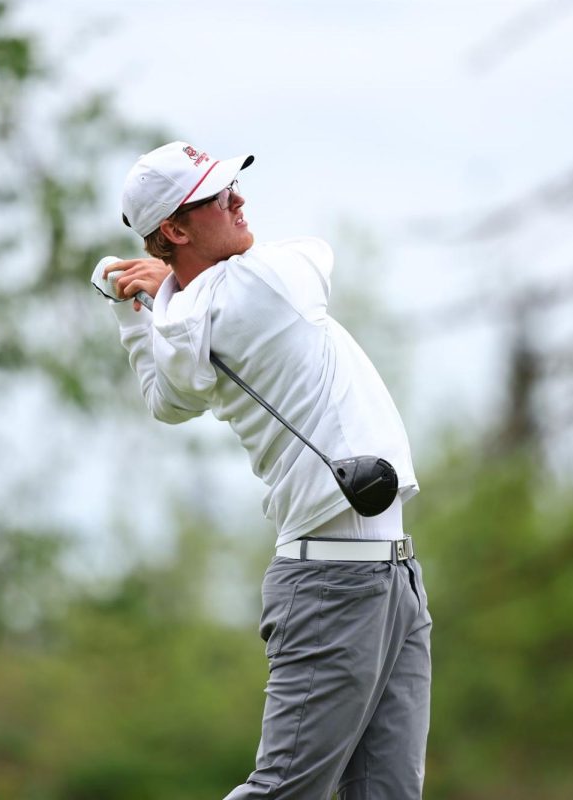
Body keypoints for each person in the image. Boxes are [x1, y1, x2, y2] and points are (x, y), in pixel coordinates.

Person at [92, 141, 432, 799]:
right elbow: (318, 255)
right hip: (334, 581)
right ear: (176, 229)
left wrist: (132, 311)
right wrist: (167, 291)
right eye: (217, 196)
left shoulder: (187, 317)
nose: (239, 199)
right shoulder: (263, 282)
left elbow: (164, 399)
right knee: (284, 790)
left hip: (389, 574)